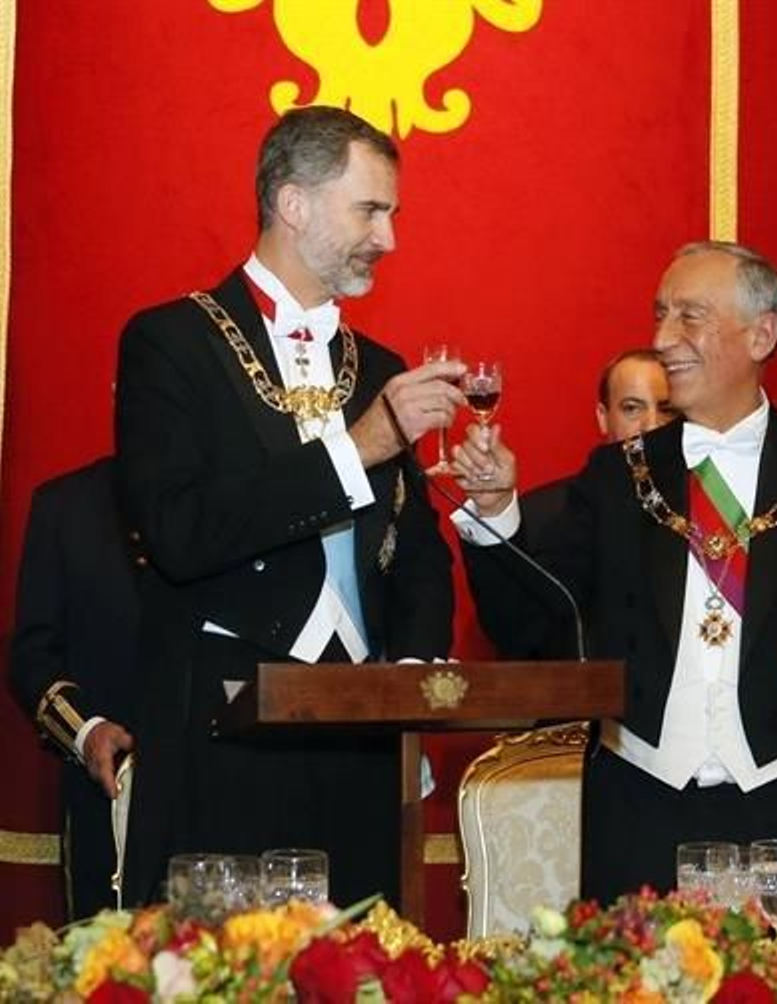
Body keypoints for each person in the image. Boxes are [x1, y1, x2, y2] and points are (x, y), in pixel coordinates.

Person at [452, 241, 777, 924]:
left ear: (762, 333)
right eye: (660, 314)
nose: (662, 339)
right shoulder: (618, 477)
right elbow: (530, 624)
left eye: (689, 317)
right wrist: (496, 514)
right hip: (637, 815)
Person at [113, 106, 462, 907]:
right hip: (224, 729)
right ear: (293, 203)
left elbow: (418, 555)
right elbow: (181, 532)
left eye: (393, 214)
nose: (389, 238)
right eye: (370, 210)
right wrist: (359, 447)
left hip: (361, 737)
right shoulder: (170, 343)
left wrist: (407, 684)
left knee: (365, 972)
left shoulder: (380, 365)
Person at [466, 349, 671, 659]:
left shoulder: (711, 506)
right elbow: (521, 632)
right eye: (632, 408)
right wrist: (494, 512)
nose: (652, 425)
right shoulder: (553, 516)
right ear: (603, 417)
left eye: (667, 410)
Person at [7, 458, 140, 918]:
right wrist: (86, 733)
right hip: (107, 790)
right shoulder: (67, 507)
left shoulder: (239, 496)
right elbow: (32, 658)